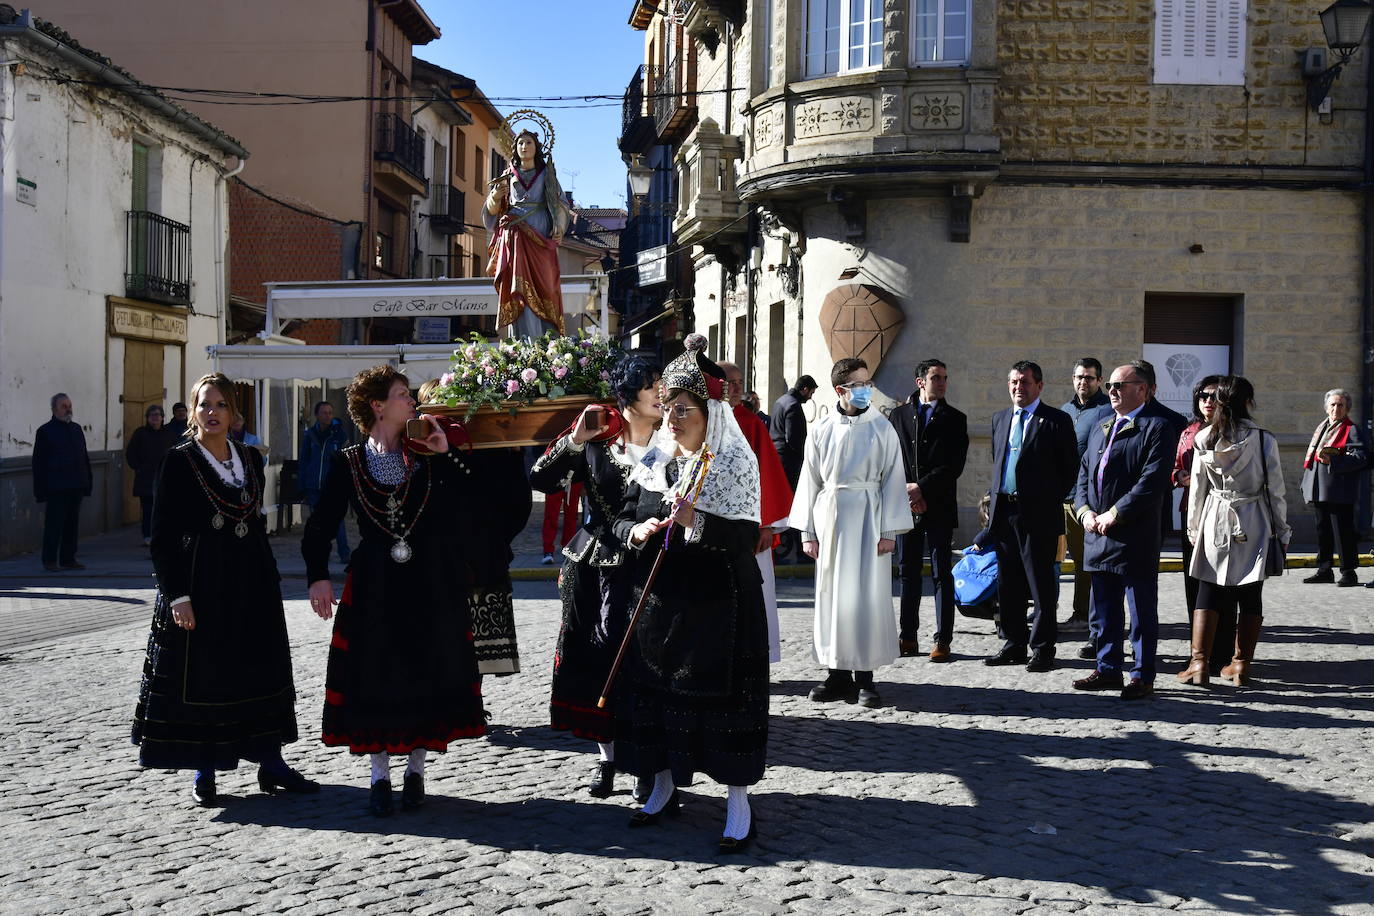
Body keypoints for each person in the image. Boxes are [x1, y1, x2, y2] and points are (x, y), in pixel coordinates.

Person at [304, 366, 488, 817]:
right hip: (375, 583)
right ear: (379, 406)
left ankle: (416, 773)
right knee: (376, 675)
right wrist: (317, 574)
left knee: (427, 671)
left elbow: (468, 508)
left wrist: (445, 455)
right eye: (404, 395)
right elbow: (320, 524)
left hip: (428, 577)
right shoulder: (349, 461)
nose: (413, 403)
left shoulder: (426, 452)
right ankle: (379, 776)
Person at [612, 333, 768, 853]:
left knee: (726, 703)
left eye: (684, 409)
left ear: (708, 414)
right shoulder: (655, 464)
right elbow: (623, 517)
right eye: (668, 407)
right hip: (659, 602)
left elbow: (747, 537)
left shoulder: (731, 464)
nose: (673, 418)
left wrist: (697, 520)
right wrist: (633, 531)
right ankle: (660, 786)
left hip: (719, 604)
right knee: (657, 698)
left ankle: (738, 802)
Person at [132, 374, 316, 806]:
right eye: (203, 405)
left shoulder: (249, 457)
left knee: (260, 667)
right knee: (208, 673)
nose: (211, 412)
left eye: (219, 405)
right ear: (193, 412)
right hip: (202, 580)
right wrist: (177, 595)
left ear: (235, 412)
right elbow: (162, 536)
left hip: (251, 579)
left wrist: (270, 580)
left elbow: (253, 523)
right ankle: (206, 769)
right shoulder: (179, 461)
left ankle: (271, 762)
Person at [529, 356, 660, 798]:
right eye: (651, 385)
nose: (660, 391)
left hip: (650, 565)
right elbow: (542, 479)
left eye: (661, 382)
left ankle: (648, 764)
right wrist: (573, 438)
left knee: (645, 664)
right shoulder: (597, 443)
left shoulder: (673, 442)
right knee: (594, 660)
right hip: (593, 563)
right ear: (627, 396)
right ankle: (607, 758)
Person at [790, 357, 911, 708]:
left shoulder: (881, 428)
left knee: (866, 598)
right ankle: (836, 674)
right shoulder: (822, 428)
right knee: (833, 598)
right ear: (841, 390)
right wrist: (807, 532)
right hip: (831, 519)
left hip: (870, 520)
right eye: (860, 384)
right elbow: (810, 480)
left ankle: (866, 677)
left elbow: (893, 479)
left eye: (868, 383)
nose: (867, 390)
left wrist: (889, 528)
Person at [1177, 375, 1290, 688]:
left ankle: (1198, 663)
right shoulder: (1264, 439)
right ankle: (1240, 664)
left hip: (1215, 515)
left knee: (1207, 588)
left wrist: (1194, 529)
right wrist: (1282, 531)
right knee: (1251, 592)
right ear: (1248, 402)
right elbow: (1276, 490)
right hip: (1254, 517)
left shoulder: (1204, 438)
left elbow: (1198, 488)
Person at [1070, 365, 1174, 700]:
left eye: (1120, 385)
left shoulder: (1157, 427)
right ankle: (1107, 668)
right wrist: (1085, 511)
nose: (1112, 390)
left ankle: (1142, 675)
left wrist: (1115, 514)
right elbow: (1085, 473)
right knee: (1103, 611)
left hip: (1134, 536)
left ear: (1143, 390)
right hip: (1098, 534)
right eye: (1111, 385)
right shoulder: (1103, 426)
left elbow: (1152, 482)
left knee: (1140, 611)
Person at [973, 361, 1079, 671]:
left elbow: (1070, 468)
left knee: (1041, 583)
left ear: (1039, 386)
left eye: (1025, 382)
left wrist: (1045, 497)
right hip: (1005, 512)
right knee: (1009, 583)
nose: (1019, 387)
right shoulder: (1000, 419)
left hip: (1039, 514)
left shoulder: (1056, 420)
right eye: (1014, 382)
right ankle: (1013, 643)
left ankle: (1043, 647)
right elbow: (999, 462)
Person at [888, 359, 969, 661]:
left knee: (940, 573)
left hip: (939, 505)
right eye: (936, 377)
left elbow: (953, 466)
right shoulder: (898, 416)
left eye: (945, 377)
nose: (943, 382)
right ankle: (907, 637)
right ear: (920, 381)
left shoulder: (955, 418)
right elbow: (890, 460)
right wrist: (908, 492)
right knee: (907, 573)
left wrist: (921, 488)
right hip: (905, 505)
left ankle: (942, 639)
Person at [720, 361, 794, 663]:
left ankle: (754, 659)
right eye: (731, 382)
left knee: (754, 598)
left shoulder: (751, 423)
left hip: (750, 529)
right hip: (711, 527)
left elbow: (768, 475)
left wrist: (767, 526)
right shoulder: (698, 419)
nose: (738, 388)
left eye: (740, 382)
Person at [483, 128, 571, 337]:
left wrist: (558, 227)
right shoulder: (507, 175)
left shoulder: (547, 174)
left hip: (541, 235)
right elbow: (493, 209)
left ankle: (547, 340)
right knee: (518, 285)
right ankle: (522, 340)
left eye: (528, 142)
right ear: (515, 148)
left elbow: (560, 203)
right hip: (515, 237)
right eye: (520, 143)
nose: (524, 146)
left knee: (547, 286)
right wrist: (495, 197)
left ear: (536, 147)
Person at [1173, 376, 1234, 675]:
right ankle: (1198, 653)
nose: (1208, 401)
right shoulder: (1188, 432)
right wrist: (1179, 477)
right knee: (1194, 588)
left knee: (1223, 589)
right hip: (1193, 516)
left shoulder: (1234, 433)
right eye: (1202, 396)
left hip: (1225, 518)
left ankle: (1224, 653)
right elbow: (1175, 468)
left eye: (1214, 396)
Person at [1059, 358, 1112, 627]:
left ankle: (1083, 614)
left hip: (1086, 501)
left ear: (1099, 381)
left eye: (1089, 378)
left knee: (1084, 560)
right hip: (1060, 497)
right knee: (1052, 559)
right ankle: (1046, 608)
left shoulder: (1106, 411)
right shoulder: (1064, 410)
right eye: (1079, 377)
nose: (1083, 382)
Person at [1300, 388, 1366, 587]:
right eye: (1333, 405)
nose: (1336, 408)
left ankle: (1349, 572)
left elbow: (1361, 458)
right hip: (1319, 489)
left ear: (1347, 409)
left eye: (1340, 405)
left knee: (1343, 532)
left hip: (1339, 491)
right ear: (1326, 407)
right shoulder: (1322, 428)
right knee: (1323, 531)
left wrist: (1334, 461)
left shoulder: (1351, 430)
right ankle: (1324, 569)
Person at [33, 393, 92, 572]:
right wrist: (40, 489)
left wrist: (87, 481)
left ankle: (68, 559)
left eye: (69, 405)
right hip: (56, 485)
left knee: (71, 524)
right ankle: (49, 560)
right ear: (54, 409)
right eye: (64, 406)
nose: (68, 409)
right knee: (54, 524)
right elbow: (39, 462)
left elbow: (84, 456)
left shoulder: (76, 429)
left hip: (76, 483)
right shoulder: (45, 431)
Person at [769, 375, 817, 561]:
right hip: (789, 462)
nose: (811, 397)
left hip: (779, 459)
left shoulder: (781, 401)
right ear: (804, 389)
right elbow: (793, 439)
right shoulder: (793, 407)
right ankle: (798, 549)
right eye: (811, 392)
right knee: (797, 503)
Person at [300, 401, 351, 564]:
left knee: (338, 521)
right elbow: (304, 461)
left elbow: (346, 461)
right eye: (324, 412)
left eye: (330, 412)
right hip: (314, 485)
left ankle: (344, 553)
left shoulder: (340, 435)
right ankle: (319, 553)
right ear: (317, 415)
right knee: (317, 522)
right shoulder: (309, 436)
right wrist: (302, 486)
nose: (327, 415)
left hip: (333, 486)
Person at [125, 403, 178, 545]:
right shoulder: (140, 433)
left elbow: (176, 452)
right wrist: (138, 468)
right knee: (148, 509)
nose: (155, 418)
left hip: (165, 478)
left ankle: (162, 535)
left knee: (164, 509)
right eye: (152, 415)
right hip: (146, 478)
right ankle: (147, 536)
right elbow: (131, 453)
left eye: (158, 415)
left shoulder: (168, 433)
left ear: (162, 417)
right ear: (147, 418)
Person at [541, 481, 583, 565]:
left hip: (574, 479)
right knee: (551, 515)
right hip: (555, 478)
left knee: (571, 516)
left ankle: (568, 548)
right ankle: (548, 550)